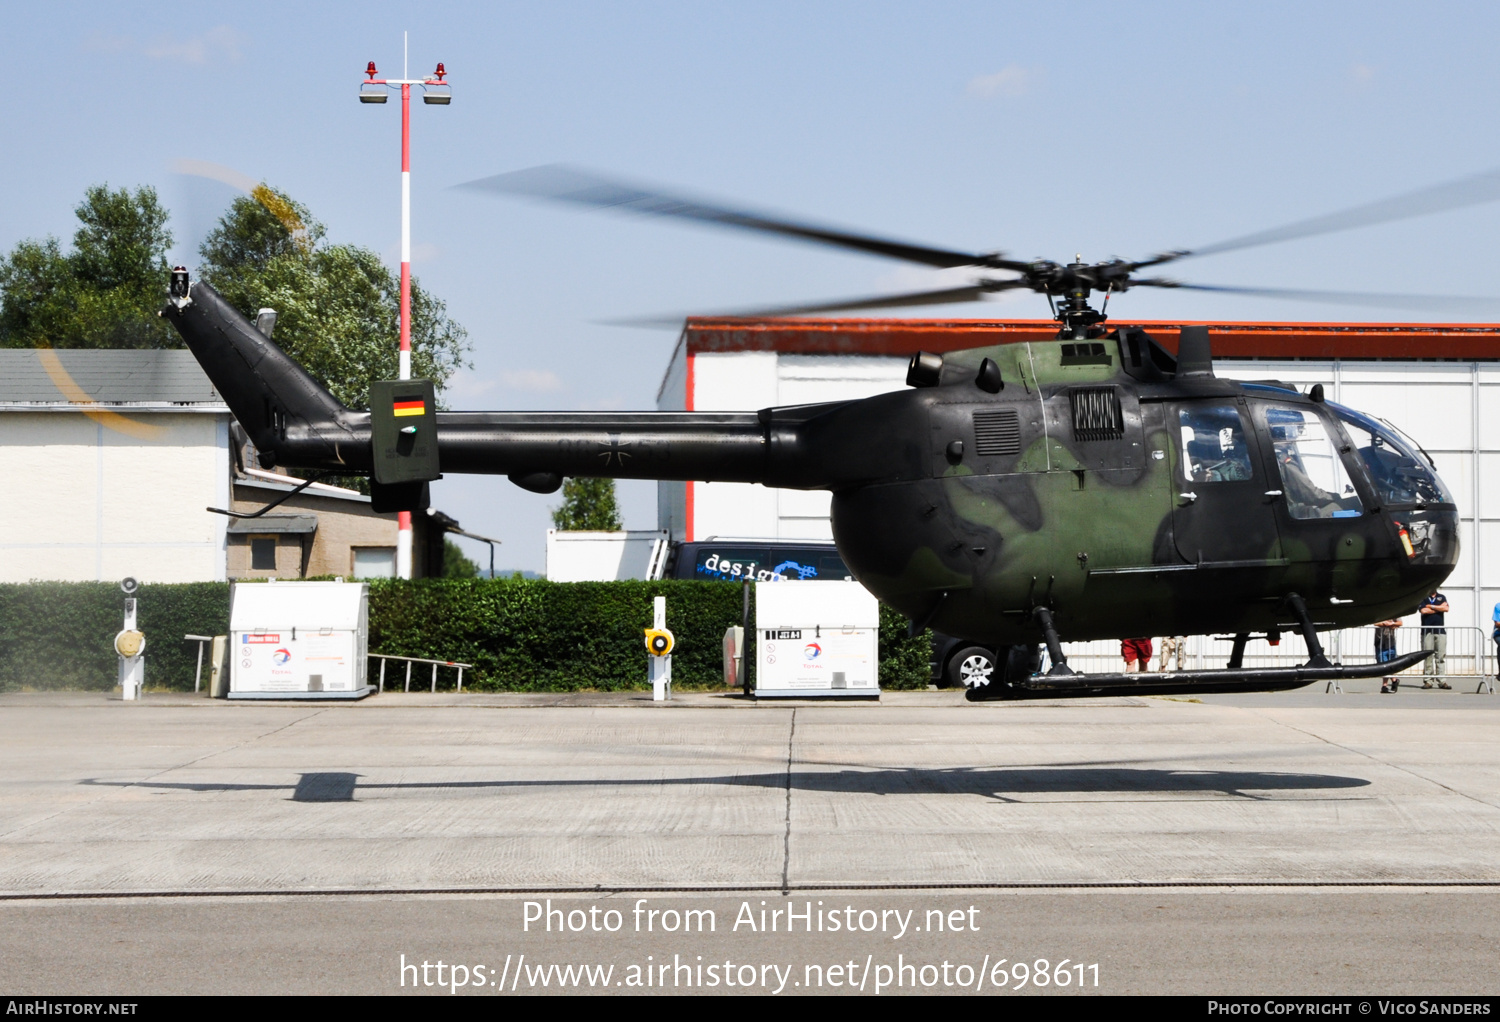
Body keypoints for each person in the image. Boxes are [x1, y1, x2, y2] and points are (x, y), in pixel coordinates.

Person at [1419, 591, 1450, 689]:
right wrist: (1439, 608)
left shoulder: (1441, 597)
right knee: (1428, 656)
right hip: (1427, 631)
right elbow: (1423, 611)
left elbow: (1446, 608)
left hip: (1440, 630)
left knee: (1440, 656)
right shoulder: (1423, 597)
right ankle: (1428, 681)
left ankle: (1442, 681)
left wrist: (1431, 607)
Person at [1375, 617, 1402, 693]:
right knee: (1383, 664)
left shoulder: (1395, 613)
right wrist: (1383, 623)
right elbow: (1374, 623)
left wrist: (1392, 623)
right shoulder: (1378, 612)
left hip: (1390, 642)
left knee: (1390, 664)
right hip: (1380, 641)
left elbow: (1400, 623)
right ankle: (1394, 680)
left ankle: (1384, 685)